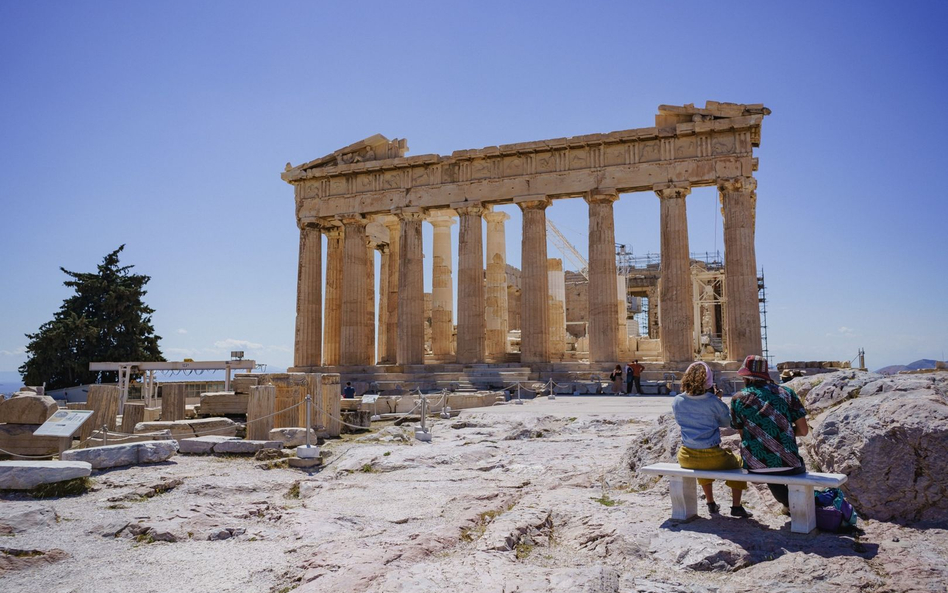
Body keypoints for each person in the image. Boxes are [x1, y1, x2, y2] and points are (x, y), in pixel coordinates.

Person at [672, 361, 751, 518]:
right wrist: (718, 401)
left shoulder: (677, 400)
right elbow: (727, 423)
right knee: (739, 463)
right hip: (712, 456)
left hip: (686, 456)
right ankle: (736, 506)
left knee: (700, 462)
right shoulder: (713, 401)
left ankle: (711, 503)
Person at [730, 355, 809, 509]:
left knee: (770, 467)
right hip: (789, 464)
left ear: (746, 375)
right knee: (791, 466)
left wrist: (764, 435)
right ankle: (794, 506)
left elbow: (743, 434)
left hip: (754, 465)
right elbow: (804, 431)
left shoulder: (737, 398)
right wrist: (783, 431)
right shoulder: (787, 393)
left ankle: (788, 505)